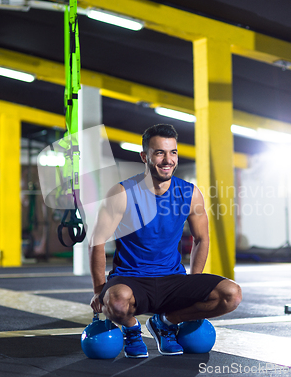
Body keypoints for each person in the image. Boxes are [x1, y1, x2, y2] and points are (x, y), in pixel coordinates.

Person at [89, 123, 242, 358]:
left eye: (173, 152)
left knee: (231, 294)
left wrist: (194, 281)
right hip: (131, 278)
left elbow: (202, 238)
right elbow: (96, 242)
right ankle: (131, 329)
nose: (167, 160)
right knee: (116, 302)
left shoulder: (190, 193)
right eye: (159, 152)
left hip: (173, 278)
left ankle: (167, 322)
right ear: (145, 156)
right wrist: (99, 291)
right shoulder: (122, 193)